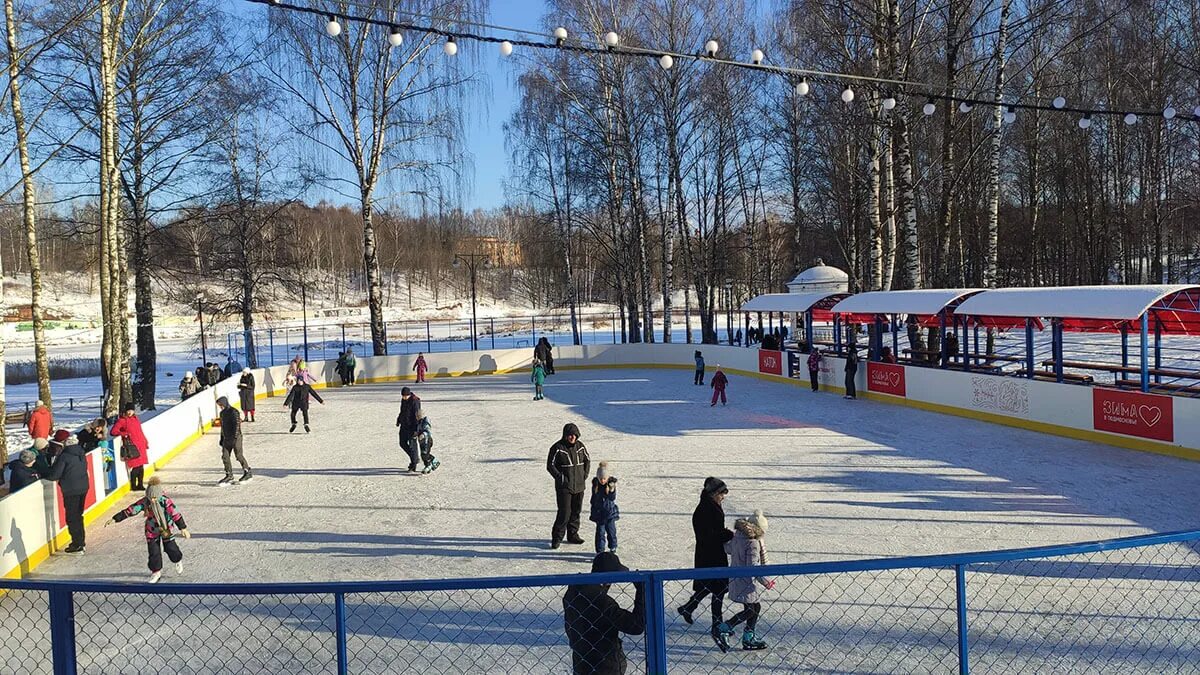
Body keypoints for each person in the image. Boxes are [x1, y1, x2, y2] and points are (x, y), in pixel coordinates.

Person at [676, 477, 734, 652]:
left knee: (709, 585)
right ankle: (717, 625)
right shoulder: (707, 509)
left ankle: (688, 607)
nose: (723, 497)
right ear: (714, 493)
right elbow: (711, 534)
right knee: (718, 589)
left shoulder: (708, 506)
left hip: (708, 554)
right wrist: (728, 534)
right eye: (722, 493)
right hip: (711, 555)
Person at [563, 551, 645, 675]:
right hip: (605, 665)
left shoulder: (573, 593)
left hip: (581, 663)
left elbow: (592, 601)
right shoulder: (604, 603)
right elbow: (636, 626)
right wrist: (642, 592)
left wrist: (602, 587)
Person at [106, 476, 191, 583]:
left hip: (166, 529)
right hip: (151, 531)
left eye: (155, 497)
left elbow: (176, 514)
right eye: (151, 497)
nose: (153, 500)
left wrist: (183, 528)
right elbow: (131, 510)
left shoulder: (166, 501)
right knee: (154, 552)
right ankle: (156, 572)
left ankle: (177, 560)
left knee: (171, 548)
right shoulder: (145, 502)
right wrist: (116, 518)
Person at [717, 510, 775, 651]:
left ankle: (748, 636)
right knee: (750, 610)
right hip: (746, 582)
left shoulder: (738, 536)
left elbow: (728, 549)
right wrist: (766, 581)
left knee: (754, 607)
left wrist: (723, 538)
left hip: (736, 578)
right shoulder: (753, 543)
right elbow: (753, 567)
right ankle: (725, 627)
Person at [546, 422, 590, 549]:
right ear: (565, 435)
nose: (572, 437)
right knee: (564, 513)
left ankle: (573, 534)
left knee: (576, 511)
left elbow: (587, 460)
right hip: (564, 487)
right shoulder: (557, 448)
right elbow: (550, 465)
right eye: (570, 435)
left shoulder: (580, 447)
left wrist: (584, 475)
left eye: (574, 435)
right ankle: (557, 538)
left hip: (579, 486)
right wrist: (560, 477)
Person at [46, 434, 89, 554]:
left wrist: (44, 473)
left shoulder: (64, 456)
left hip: (71, 490)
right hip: (83, 487)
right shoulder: (81, 452)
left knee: (72, 517)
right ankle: (80, 540)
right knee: (78, 515)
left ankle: (77, 543)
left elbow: (54, 475)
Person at [110, 404, 149, 491]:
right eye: (128, 411)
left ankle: (140, 484)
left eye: (131, 410)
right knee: (135, 467)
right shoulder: (122, 420)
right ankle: (133, 485)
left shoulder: (136, 419)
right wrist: (124, 434)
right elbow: (113, 431)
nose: (129, 412)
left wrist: (145, 441)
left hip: (140, 444)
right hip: (131, 446)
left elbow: (140, 431)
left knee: (141, 466)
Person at [216, 396, 252, 486]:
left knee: (238, 455)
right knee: (225, 456)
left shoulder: (234, 411)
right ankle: (229, 475)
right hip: (226, 438)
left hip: (236, 437)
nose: (220, 406)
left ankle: (247, 472)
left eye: (221, 404)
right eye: (219, 405)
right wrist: (221, 438)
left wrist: (234, 438)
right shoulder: (222, 413)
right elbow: (223, 427)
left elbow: (237, 426)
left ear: (225, 403)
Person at [590, 462, 619, 555]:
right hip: (599, 514)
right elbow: (593, 498)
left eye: (604, 478)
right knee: (600, 533)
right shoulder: (596, 486)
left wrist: (612, 489)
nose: (602, 480)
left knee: (611, 532)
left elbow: (612, 497)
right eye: (600, 478)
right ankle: (600, 551)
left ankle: (613, 547)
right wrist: (593, 508)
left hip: (610, 513)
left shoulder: (610, 485)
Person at [395, 387, 422, 472]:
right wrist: (399, 420)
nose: (404, 398)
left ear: (409, 395)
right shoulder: (403, 400)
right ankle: (415, 458)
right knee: (402, 443)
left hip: (412, 426)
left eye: (405, 396)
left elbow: (418, 416)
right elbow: (402, 411)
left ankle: (413, 464)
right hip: (404, 424)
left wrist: (416, 429)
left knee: (412, 445)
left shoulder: (415, 401)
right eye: (403, 396)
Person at [414, 408, 439, 474]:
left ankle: (431, 464)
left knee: (425, 453)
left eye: (417, 416)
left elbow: (427, 430)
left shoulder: (425, 421)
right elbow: (419, 430)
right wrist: (416, 433)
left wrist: (423, 434)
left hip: (427, 441)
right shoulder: (419, 422)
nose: (416, 417)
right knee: (423, 454)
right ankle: (428, 465)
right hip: (422, 441)